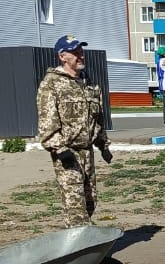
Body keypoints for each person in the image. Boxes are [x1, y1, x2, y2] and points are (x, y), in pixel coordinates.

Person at [36, 36, 112, 227]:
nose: (80, 56)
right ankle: (81, 242)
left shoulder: (89, 84)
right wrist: (59, 149)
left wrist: (103, 145)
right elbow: (47, 122)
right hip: (67, 153)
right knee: (75, 207)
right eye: (75, 53)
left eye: (81, 52)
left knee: (90, 201)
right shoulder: (52, 83)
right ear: (62, 56)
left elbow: (98, 119)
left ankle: (82, 238)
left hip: (87, 152)